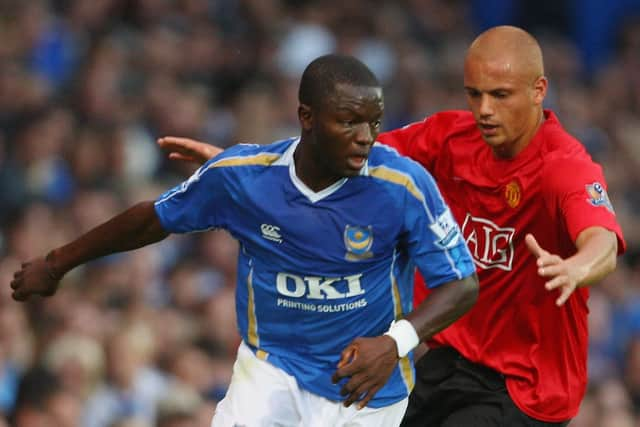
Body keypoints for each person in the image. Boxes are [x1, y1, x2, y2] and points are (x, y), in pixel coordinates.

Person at [158, 26, 626, 426]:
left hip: (528, 386)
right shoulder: (451, 137)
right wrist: (250, 166)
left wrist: (577, 269)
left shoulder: (564, 167)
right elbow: (342, 150)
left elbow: (601, 239)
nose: (484, 109)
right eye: (474, 93)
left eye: (499, 96)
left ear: (539, 90)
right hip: (452, 359)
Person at [10, 54, 479, 427]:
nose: (366, 138)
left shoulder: (403, 185)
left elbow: (461, 284)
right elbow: (150, 221)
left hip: (366, 387)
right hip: (271, 369)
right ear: (307, 117)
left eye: (374, 123)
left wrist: (394, 343)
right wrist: (55, 264)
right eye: (349, 122)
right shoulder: (243, 180)